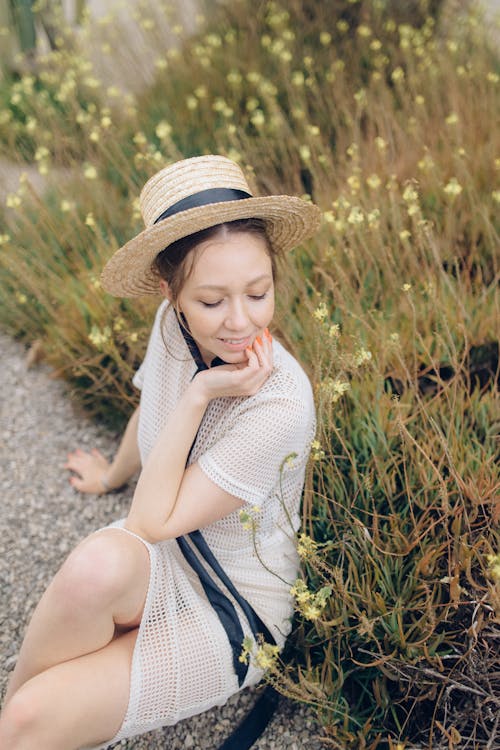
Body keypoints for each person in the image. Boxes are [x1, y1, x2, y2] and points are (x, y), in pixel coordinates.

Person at [0, 154, 321, 749]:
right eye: (211, 301)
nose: (240, 323)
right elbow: (153, 407)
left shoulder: (280, 400)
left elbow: (150, 522)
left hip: (234, 607)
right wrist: (112, 475)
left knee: (28, 723)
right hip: (166, 558)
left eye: (258, 292)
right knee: (95, 566)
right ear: (172, 294)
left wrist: (202, 393)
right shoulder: (171, 328)